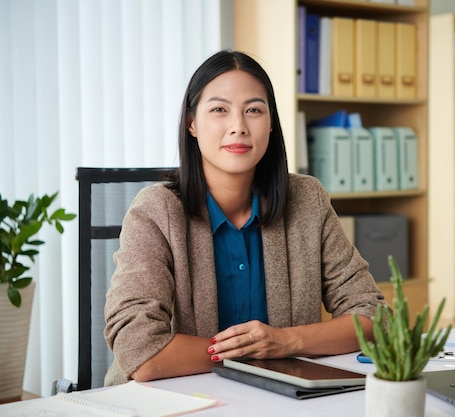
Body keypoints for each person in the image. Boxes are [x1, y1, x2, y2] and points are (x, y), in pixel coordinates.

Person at [103, 49, 385, 385]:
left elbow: (374, 318)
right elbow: (142, 353)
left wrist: (284, 342)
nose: (238, 127)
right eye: (219, 110)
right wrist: (252, 352)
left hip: (277, 401)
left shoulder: (308, 200)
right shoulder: (155, 211)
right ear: (192, 122)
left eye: (253, 110)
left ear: (270, 124)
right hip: (172, 403)